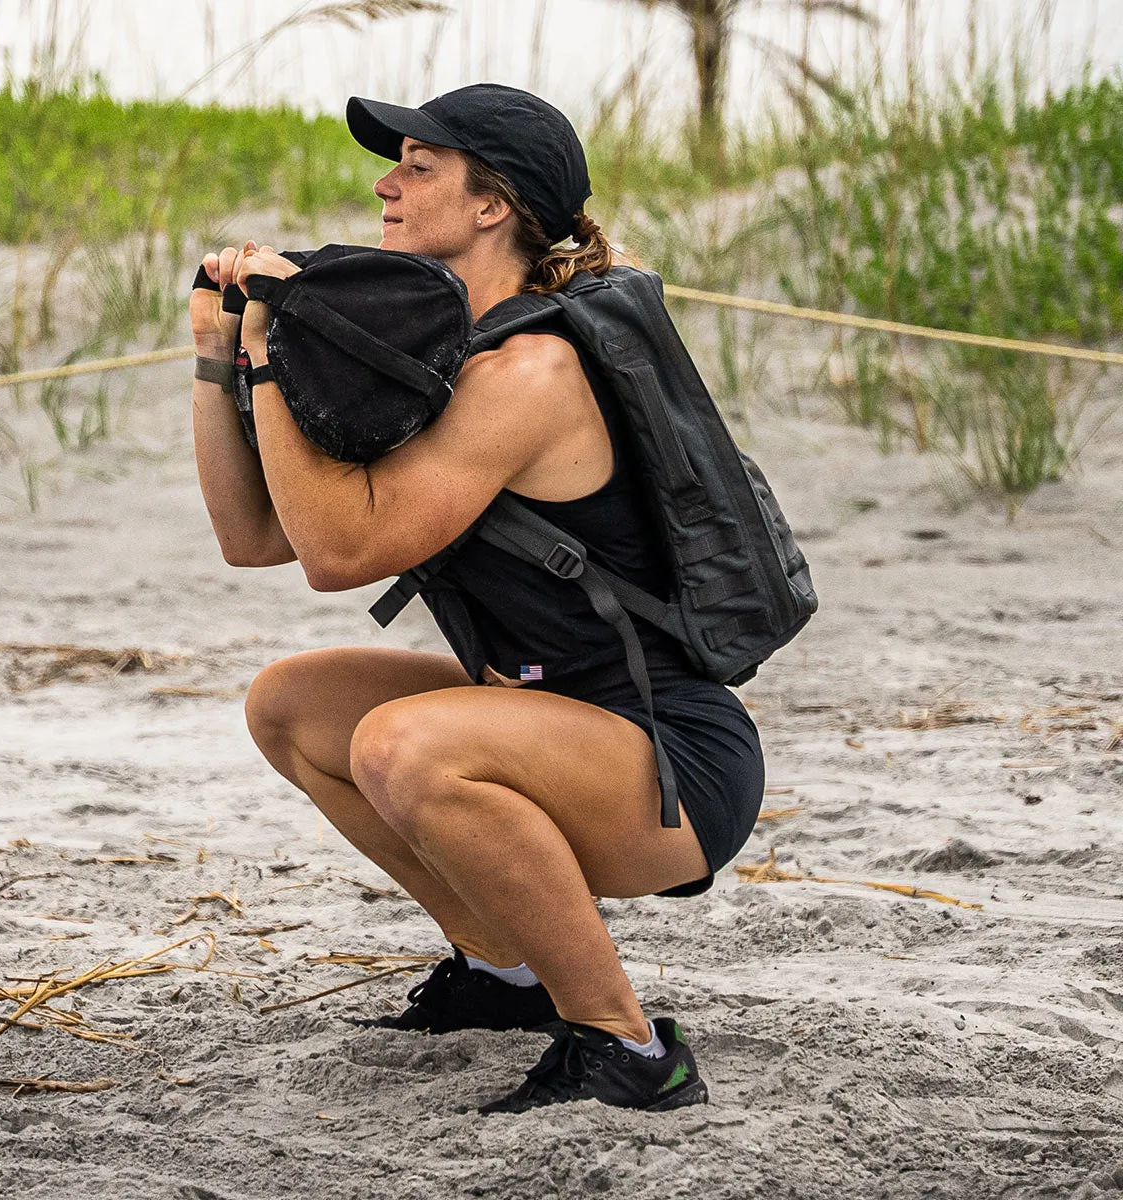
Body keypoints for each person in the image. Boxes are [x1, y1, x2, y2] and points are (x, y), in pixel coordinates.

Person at [189, 83, 764, 1114]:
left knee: (404, 746)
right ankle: (504, 975)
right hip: (553, 722)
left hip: (666, 759)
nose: (386, 183)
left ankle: (628, 1047)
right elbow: (258, 538)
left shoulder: (531, 369)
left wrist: (279, 344)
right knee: (292, 706)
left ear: (493, 204)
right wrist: (215, 356)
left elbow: (340, 554)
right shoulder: (443, 358)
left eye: (419, 165)